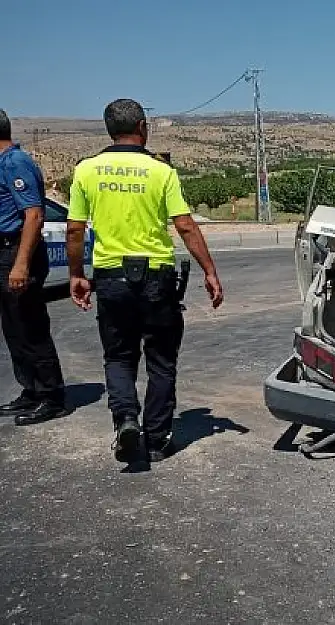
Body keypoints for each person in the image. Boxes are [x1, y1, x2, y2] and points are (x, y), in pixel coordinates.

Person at [66, 99, 224, 463]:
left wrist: (76, 274)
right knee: (161, 360)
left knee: (119, 357)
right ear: (142, 126)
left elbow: (75, 229)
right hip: (156, 278)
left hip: (110, 277)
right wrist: (210, 271)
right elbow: (185, 224)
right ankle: (157, 437)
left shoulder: (87, 171)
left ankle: (125, 421)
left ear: (109, 129)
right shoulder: (160, 171)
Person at [0, 109, 67, 425]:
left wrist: (21, 264)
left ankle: (51, 395)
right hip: (4, 252)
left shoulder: (15, 163)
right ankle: (31, 390)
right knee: (13, 327)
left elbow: (34, 215)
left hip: (16, 251)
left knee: (30, 326)